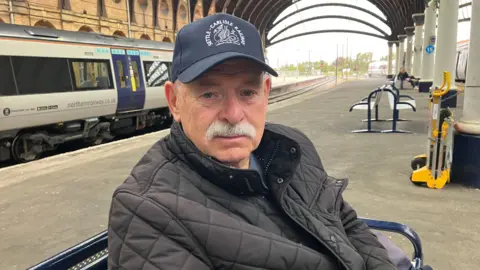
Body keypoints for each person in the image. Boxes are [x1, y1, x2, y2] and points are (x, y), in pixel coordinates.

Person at [107, 13, 424, 270]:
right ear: (174, 101)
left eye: (247, 92)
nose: (233, 115)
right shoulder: (146, 211)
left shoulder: (291, 147)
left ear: (266, 93)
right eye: (209, 94)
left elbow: (346, 221)